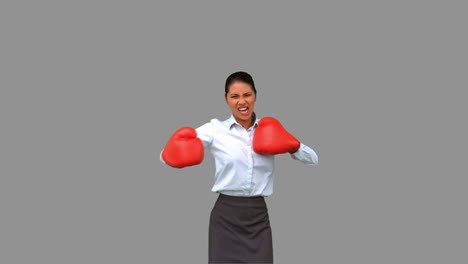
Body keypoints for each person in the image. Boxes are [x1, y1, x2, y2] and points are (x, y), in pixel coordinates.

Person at [160, 71, 318, 264]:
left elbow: (313, 159)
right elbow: (166, 155)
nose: (242, 101)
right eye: (235, 96)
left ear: (255, 96)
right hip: (226, 215)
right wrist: (173, 152)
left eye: (247, 95)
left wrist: (293, 145)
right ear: (226, 99)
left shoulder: (269, 128)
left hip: (257, 216)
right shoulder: (215, 129)